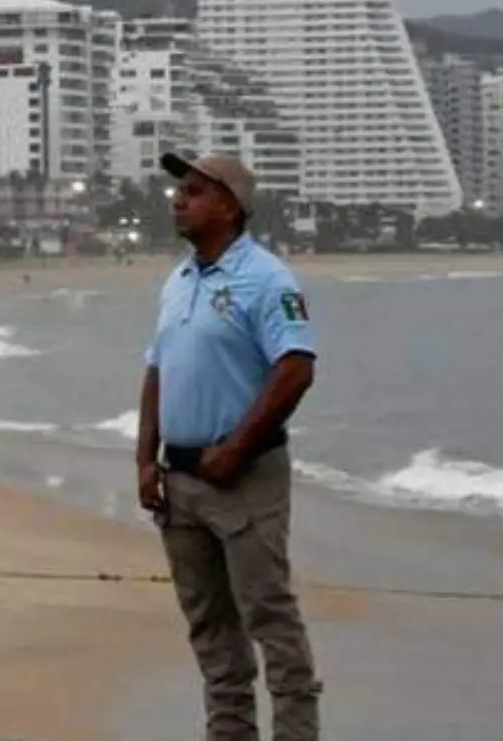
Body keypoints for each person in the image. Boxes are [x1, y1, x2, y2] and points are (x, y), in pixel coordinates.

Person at [135, 151, 321, 741]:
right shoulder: (179, 278)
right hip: (181, 481)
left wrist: (237, 448)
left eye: (193, 190)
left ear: (231, 206)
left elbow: (295, 367)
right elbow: (157, 368)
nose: (178, 199)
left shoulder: (267, 278)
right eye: (179, 190)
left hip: (244, 479)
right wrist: (145, 458)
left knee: (270, 617)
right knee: (212, 632)